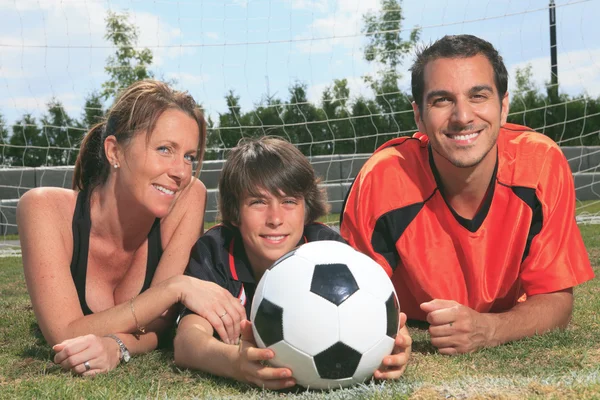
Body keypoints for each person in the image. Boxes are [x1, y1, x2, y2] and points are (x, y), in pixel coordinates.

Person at [340, 34, 594, 355]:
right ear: (418, 115)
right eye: (442, 100)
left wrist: (490, 329)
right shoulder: (383, 178)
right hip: (411, 321)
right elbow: (349, 299)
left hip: (503, 314)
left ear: (503, 107)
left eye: (478, 96)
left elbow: (556, 298)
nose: (462, 117)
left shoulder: (540, 163)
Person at [17, 80, 245, 376]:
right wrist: (177, 287)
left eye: (189, 156)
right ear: (115, 152)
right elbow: (65, 334)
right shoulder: (43, 208)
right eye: (164, 149)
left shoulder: (189, 196)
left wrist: (116, 345)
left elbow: (162, 323)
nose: (180, 171)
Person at [173, 136, 412, 389]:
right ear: (235, 211)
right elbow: (187, 342)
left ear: (306, 208)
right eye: (258, 202)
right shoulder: (217, 251)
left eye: (289, 202)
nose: (275, 218)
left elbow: (377, 310)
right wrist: (234, 363)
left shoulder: (327, 250)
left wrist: (396, 342)